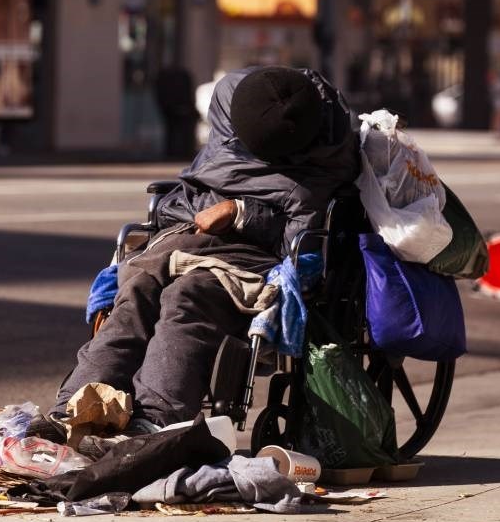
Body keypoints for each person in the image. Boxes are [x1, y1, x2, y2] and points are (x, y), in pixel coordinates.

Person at [47, 66, 360, 431]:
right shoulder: (233, 104)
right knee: (137, 287)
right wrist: (198, 212)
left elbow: (298, 250)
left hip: (250, 259)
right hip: (187, 236)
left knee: (188, 296)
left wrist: (240, 212)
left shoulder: (319, 165)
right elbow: (184, 195)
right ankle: (74, 407)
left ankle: (156, 419)